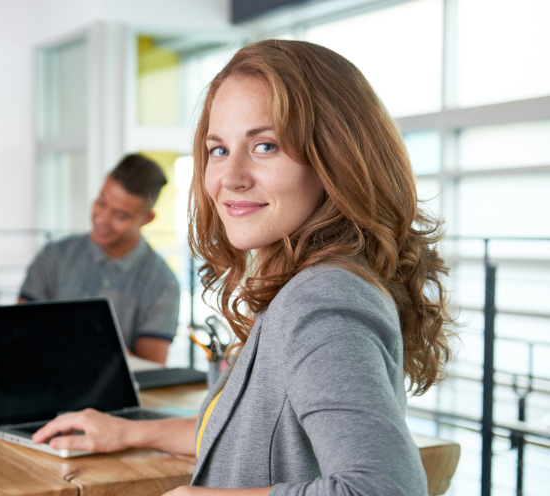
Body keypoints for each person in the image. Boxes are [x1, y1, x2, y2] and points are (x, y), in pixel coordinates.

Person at [32, 39, 454, 495]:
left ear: (335, 158)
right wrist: (129, 431)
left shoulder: (322, 299)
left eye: (265, 146)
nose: (230, 177)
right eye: (218, 150)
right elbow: (241, 437)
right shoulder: (302, 287)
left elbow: (386, 490)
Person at [18, 154, 180, 364]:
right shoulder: (54, 256)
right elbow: (18, 332)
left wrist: (94, 342)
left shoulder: (163, 283)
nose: (102, 218)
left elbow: (151, 370)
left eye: (120, 215)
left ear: (147, 219)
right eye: (101, 202)